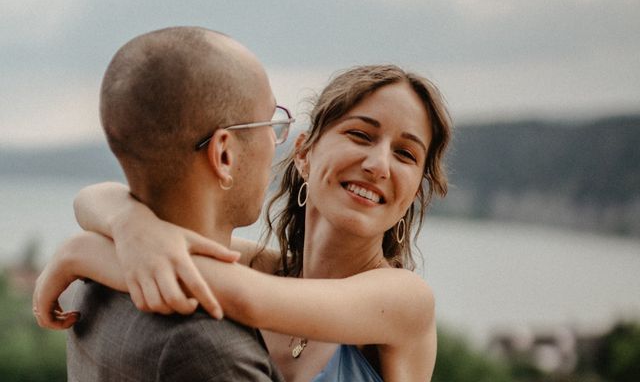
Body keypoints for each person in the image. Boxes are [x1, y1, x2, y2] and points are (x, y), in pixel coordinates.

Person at [35, 64, 452, 381]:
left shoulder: (405, 300)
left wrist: (86, 252)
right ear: (304, 154)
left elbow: (245, 299)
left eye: (405, 154)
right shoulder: (262, 268)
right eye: (361, 135)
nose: (378, 164)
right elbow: (95, 197)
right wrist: (129, 225)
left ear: (414, 191)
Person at [34, 26, 290, 381]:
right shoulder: (210, 348)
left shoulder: (92, 279)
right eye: (271, 121)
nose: (277, 141)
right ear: (224, 154)